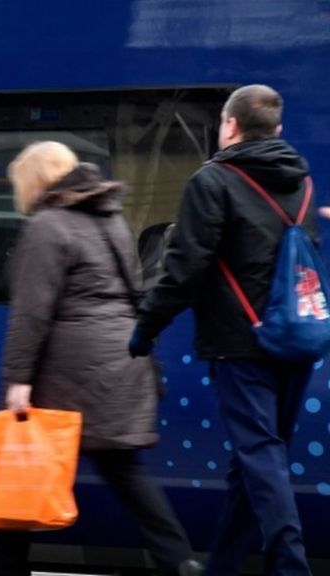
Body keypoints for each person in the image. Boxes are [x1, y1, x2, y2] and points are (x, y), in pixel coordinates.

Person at [130, 85, 316, 576]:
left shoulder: (213, 180)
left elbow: (184, 268)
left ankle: (291, 566)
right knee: (254, 461)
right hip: (296, 341)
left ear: (229, 125)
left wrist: (146, 327)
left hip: (240, 344)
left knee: (259, 454)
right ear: (276, 130)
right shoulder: (300, 181)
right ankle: (226, 567)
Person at [0, 141, 201, 576]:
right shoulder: (112, 220)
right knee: (124, 470)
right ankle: (178, 560)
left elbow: (32, 312)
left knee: (23, 465)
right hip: (120, 361)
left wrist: (17, 378)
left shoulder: (47, 226)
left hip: (70, 371)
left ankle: (6, 569)